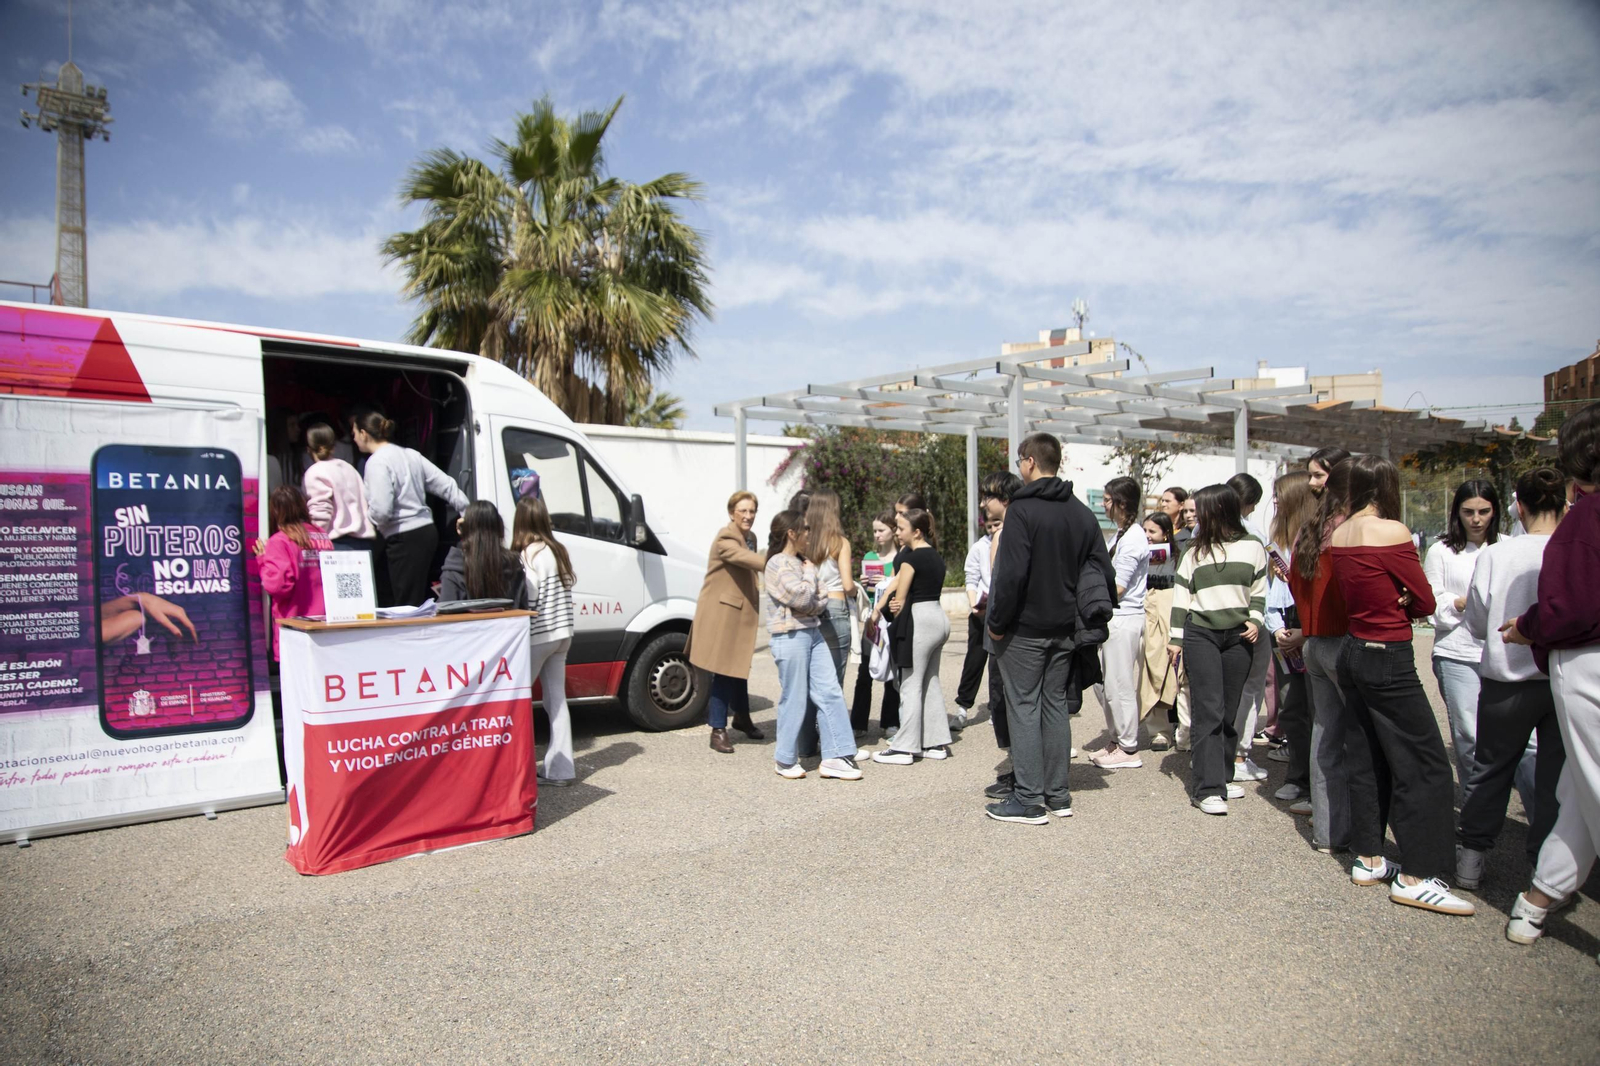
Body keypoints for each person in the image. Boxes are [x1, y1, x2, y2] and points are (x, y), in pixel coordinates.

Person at [1328, 455, 1473, 915]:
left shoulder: (1340, 531)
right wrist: (1405, 599)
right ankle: (1418, 874)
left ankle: (1369, 857)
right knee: (1426, 762)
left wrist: (1400, 596)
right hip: (1386, 653)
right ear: (1385, 486)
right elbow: (1426, 599)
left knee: (1368, 757)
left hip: (1352, 648)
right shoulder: (1391, 530)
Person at [1502, 402, 1600, 951]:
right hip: (1585, 655)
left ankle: (1537, 900)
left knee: (1588, 782)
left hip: (1587, 661)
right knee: (1581, 785)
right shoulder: (1585, 514)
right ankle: (1538, 900)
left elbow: (1574, 606)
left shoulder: (1586, 516)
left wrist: (1529, 626)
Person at [984, 433, 1114, 824]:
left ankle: (1028, 798)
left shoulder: (1022, 511)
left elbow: (1010, 576)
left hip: (1024, 629)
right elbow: (1101, 570)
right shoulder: (1081, 513)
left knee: (1023, 707)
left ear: (1028, 461)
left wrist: (995, 623)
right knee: (1055, 706)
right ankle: (1058, 794)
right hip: (1066, 628)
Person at [1456, 467, 1567, 887]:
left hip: (1505, 680)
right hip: (1559, 679)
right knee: (1555, 776)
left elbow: (1478, 618)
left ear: (1518, 505)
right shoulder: (1572, 549)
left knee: (1489, 769)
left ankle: (1472, 856)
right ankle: (1546, 865)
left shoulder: (1497, 555)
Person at [1169, 484, 1268, 816]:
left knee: (1229, 710)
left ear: (1221, 510)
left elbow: (1259, 587)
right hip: (1202, 634)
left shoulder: (1253, 547)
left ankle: (1222, 777)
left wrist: (1256, 619)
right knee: (1208, 708)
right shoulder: (1194, 550)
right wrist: (1176, 638)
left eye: (1201, 510)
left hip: (1240, 637)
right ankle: (1206, 788)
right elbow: (1182, 595)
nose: (1194, 515)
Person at [764, 510, 862, 780]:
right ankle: (784, 759)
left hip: (813, 633)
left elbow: (820, 600)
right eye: (805, 529)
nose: (810, 533)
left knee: (830, 690)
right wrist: (810, 585)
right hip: (789, 636)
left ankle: (836, 755)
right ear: (791, 533)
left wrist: (811, 593)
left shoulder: (804, 563)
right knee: (794, 697)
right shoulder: (776, 564)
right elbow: (803, 597)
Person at [1290, 457, 1355, 853]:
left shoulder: (1311, 528)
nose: (1312, 483)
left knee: (1325, 735)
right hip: (1345, 637)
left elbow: (1298, 582)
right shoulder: (1350, 528)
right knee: (1352, 739)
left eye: (1318, 475)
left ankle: (1328, 831)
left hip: (1316, 639)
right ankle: (1360, 832)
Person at [1424, 479, 1500, 784]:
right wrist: (1459, 603)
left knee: (1520, 740)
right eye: (1469, 512)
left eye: (1484, 511)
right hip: (1456, 652)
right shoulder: (1441, 550)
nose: (1477, 519)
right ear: (1457, 512)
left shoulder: (1507, 546)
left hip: (1503, 652)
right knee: (1468, 736)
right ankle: (1475, 813)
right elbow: (1431, 602)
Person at [354, 411, 469, 606]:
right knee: (417, 598)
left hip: (403, 537)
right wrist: (468, 512)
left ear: (364, 433)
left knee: (405, 605)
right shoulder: (410, 455)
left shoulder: (376, 462)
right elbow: (446, 485)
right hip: (426, 532)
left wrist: (368, 518)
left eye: (355, 433)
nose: (354, 439)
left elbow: (382, 511)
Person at [869, 508, 953, 764]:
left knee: (910, 683)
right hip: (939, 618)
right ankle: (935, 743)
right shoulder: (935, 557)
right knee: (930, 681)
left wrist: (884, 608)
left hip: (920, 621)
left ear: (916, 531)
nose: (897, 532)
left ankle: (905, 748)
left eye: (901, 528)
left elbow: (900, 597)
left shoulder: (911, 559)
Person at [687, 492, 767, 754]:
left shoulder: (751, 538)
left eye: (752, 511)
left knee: (739, 667)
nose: (748, 516)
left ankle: (742, 718)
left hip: (740, 612)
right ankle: (717, 729)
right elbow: (745, 559)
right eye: (743, 511)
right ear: (732, 512)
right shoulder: (726, 537)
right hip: (722, 612)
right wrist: (779, 560)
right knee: (723, 670)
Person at [511, 496, 578, 785]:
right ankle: (561, 770)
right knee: (556, 701)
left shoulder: (528, 554)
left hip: (541, 634)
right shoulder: (557, 549)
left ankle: (519, 767)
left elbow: (532, 596)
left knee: (517, 698)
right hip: (564, 633)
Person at [1263, 472, 1317, 813]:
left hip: (1309, 627)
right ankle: (1297, 777)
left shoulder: (1314, 538)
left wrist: (1304, 630)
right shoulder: (1275, 539)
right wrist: (1276, 629)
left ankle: (1316, 783)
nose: (1275, 501)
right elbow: (1270, 593)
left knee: (1318, 710)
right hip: (1282, 630)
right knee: (1293, 707)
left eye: (1280, 495)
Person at [1090, 477, 1150, 770]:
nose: (1103, 504)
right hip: (1114, 618)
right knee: (1106, 685)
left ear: (1121, 503)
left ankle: (1128, 746)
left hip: (1125, 617)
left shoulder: (1135, 538)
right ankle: (1117, 740)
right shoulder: (1121, 535)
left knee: (1119, 684)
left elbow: (1119, 586)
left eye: (1107, 499)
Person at [979, 471, 1023, 799]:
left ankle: (1020, 770)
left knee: (1006, 700)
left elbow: (1002, 587)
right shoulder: (1026, 529)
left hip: (1006, 634)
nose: (983, 503)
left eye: (988, 497)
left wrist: (994, 626)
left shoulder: (1007, 534)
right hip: (1018, 631)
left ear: (1004, 499)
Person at [1226, 472, 1271, 783]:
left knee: (1220, 691)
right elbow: (1261, 585)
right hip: (1249, 619)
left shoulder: (1206, 528)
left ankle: (1219, 752)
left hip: (1214, 621)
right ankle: (1239, 754)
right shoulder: (1252, 534)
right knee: (1250, 688)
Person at [254, 485, 334, 660]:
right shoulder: (322, 535)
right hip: (326, 625)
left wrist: (262, 561)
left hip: (295, 627)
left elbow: (278, 586)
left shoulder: (280, 541)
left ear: (275, 511)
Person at [849, 511, 901, 739]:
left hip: (892, 618)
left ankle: (890, 721)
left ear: (892, 531)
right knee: (865, 672)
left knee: (892, 672)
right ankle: (859, 722)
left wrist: (888, 582)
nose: (877, 535)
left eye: (882, 530)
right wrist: (863, 583)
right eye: (874, 531)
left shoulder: (900, 558)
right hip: (872, 619)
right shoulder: (870, 556)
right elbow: (866, 594)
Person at [1138, 511, 1181, 750]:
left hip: (1172, 616)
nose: (1147, 536)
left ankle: (1184, 730)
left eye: (1152, 531)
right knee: (1151, 670)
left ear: (1166, 533)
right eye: (1144, 531)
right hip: (1148, 616)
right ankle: (1159, 732)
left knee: (1179, 674)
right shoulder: (1139, 554)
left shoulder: (1179, 557)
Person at [805, 488, 856, 688]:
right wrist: (856, 593)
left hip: (811, 608)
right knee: (834, 680)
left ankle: (812, 720)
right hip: (835, 605)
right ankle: (828, 720)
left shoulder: (805, 542)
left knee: (812, 676)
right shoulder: (840, 542)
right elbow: (848, 584)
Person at [955, 514, 1000, 733]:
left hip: (1002, 610)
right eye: (989, 525)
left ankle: (997, 708)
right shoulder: (979, 547)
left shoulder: (1013, 542)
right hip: (982, 612)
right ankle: (963, 706)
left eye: (997, 524)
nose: (992, 529)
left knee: (998, 663)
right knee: (974, 659)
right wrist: (974, 604)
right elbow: (971, 578)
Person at [439, 501, 530, 607]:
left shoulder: (455, 568)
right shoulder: (514, 566)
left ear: (465, 531)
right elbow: (523, 608)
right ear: (499, 529)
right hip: (508, 623)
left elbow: (445, 613)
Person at [303, 422, 377, 550]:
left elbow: (321, 513)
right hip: (364, 541)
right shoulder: (349, 468)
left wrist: (312, 539)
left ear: (309, 449)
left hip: (336, 543)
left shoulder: (314, 472)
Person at [1161, 486, 1193, 560]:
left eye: (1167, 501)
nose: (1163, 504)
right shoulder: (1160, 526)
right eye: (1162, 501)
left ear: (1181, 505)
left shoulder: (1189, 529)